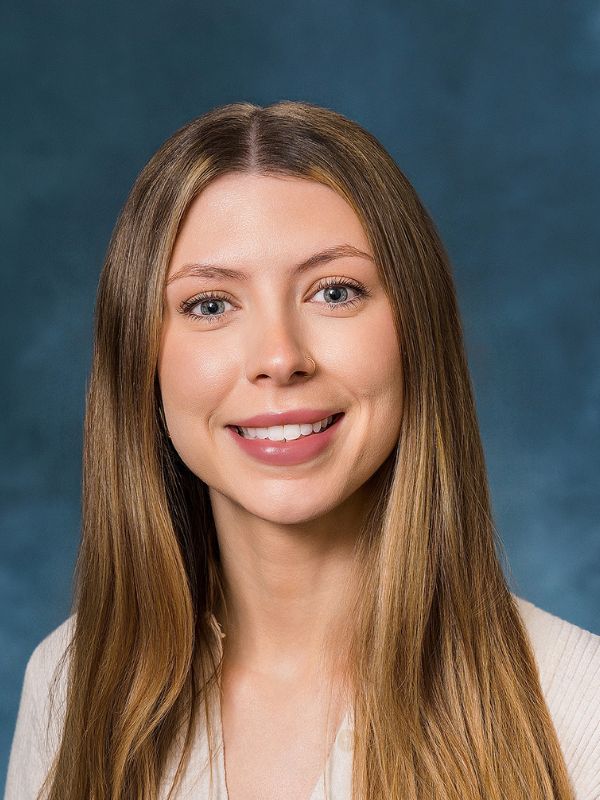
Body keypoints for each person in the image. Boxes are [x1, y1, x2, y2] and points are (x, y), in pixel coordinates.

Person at [5, 101, 599, 800]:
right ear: (142, 356)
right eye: (210, 304)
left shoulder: (579, 703)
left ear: (416, 332)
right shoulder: (70, 684)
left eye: (335, 291)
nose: (279, 358)